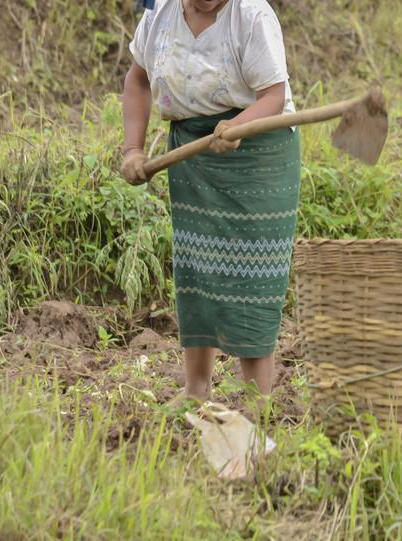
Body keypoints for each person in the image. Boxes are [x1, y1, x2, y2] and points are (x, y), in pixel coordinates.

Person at [120, 0, 299, 405]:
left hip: (258, 156)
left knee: (252, 276)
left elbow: (273, 94)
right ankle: (196, 390)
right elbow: (138, 80)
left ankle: (258, 403)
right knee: (197, 271)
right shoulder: (159, 14)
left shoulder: (251, 15)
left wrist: (237, 126)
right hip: (192, 155)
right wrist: (133, 149)